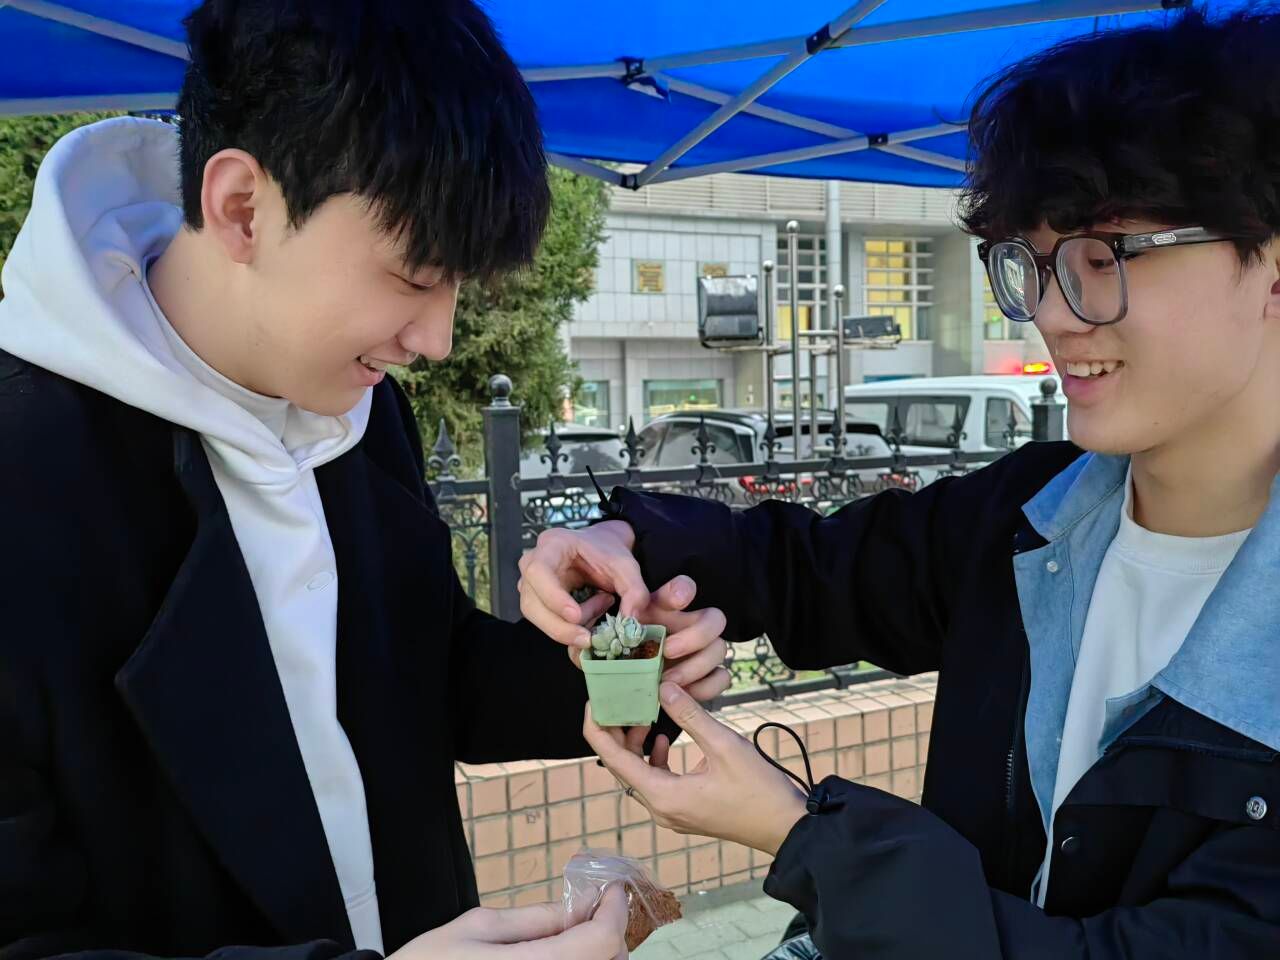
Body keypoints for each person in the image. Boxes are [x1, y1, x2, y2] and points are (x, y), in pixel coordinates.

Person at [518, 7, 1280, 957]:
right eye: (1032, 265)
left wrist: (805, 835)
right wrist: (621, 546)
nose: (1053, 314)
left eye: (1103, 257)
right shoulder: (1033, 515)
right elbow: (810, 568)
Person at [0, 2, 730, 958]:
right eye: (415, 276)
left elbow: (419, 675)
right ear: (243, 208)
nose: (438, 340)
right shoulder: (30, 468)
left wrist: (611, 664)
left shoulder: (358, 408)